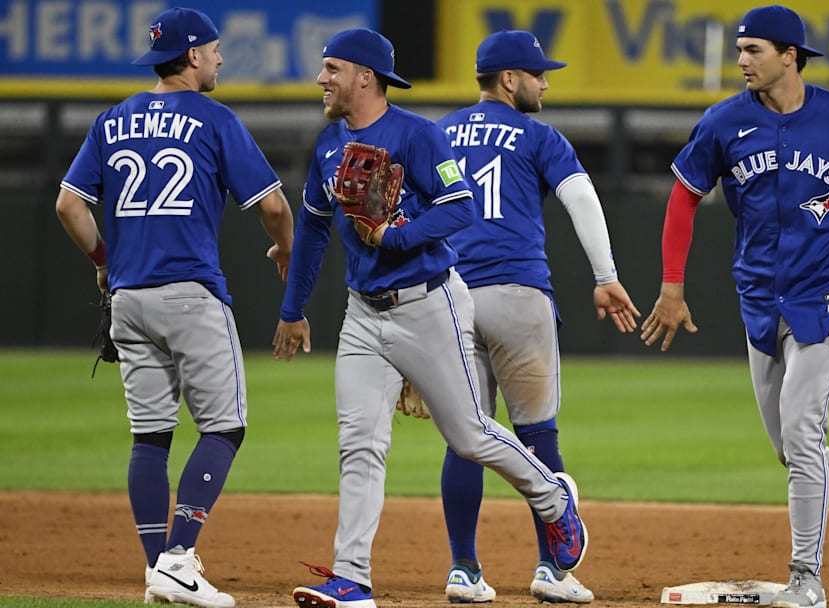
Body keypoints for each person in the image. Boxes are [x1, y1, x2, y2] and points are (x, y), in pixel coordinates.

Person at [272, 28, 588, 608]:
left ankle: (552, 498)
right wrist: (292, 310)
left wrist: (398, 236)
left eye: (332, 69)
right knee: (359, 443)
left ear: (365, 77)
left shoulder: (418, 135)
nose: (322, 79)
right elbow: (314, 230)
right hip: (362, 313)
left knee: (469, 434)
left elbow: (459, 206)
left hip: (429, 303)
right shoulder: (326, 147)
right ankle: (352, 578)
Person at [640, 6, 829, 608]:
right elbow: (683, 197)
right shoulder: (724, 122)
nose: (741, 60)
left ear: (791, 55)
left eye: (753, 50)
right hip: (759, 298)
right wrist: (672, 285)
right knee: (790, 446)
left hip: (825, 296)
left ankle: (806, 578)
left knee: (804, 436)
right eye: (740, 50)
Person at [55, 7, 294, 608]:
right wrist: (286, 248)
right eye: (213, 50)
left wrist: (104, 261)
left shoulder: (112, 120)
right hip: (189, 292)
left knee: (151, 437)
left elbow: (68, 206)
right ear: (191, 56)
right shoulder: (214, 118)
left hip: (128, 298)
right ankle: (179, 558)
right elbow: (272, 207)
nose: (218, 58)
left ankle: (158, 567)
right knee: (224, 426)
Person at [431, 30, 638, 604]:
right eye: (538, 74)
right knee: (538, 434)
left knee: (467, 437)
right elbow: (582, 200)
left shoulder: (437, 133)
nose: (545, 82)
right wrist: (605, 277)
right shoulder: (538, 135)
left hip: (448, 298)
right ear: (509, 80)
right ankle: (552, 569)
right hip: (518, 295)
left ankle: (464, 570)